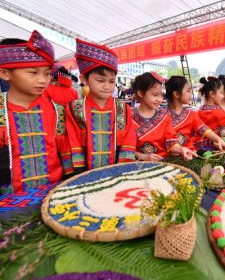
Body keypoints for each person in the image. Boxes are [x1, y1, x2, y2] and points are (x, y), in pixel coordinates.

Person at [0, 31, 72, 192]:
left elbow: (67, 156)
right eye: (33, 72)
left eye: (47, 74)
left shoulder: (57, 111)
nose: (42, 80)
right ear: (5, 73)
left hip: (54, 196)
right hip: (7, 205)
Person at [66, 39, 137, 172]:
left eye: (111, 81)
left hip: (117, 173)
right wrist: (79, 176)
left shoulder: (123, 109)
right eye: (100, 80)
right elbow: (72, 142)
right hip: (84, 175)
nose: (107, 86)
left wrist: (122, 172)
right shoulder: (75, 108)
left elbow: (129, 142)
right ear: (84, 79)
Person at [131, 72, 197, 161]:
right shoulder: (128, 115)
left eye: (162, 95)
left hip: (164, 163)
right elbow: (121, 148)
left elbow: (172, 143)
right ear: (141, 93)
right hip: (136, 166)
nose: (159, 99)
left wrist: (182, 149)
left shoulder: (164, 116)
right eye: (155, 95)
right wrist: (143, 157)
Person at [165, 76, 225, 152]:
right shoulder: (162, 116)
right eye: (188, 91)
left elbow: (204, 130)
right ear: (176, 94)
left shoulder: (191, 114)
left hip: (190, 153)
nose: (191, 94)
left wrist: (218, 140)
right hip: (171, 156)